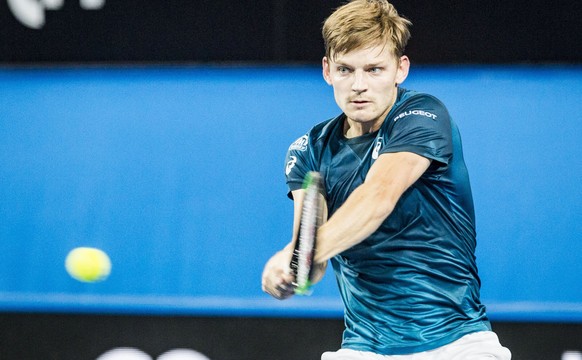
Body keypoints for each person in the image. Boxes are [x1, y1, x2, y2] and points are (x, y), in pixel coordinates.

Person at [261, 0, 512, 359]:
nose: (358, 85)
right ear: (327, 70)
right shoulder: (309, 151)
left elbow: (378, 197)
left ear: (400, 69)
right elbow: (310, 258)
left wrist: (298, 255)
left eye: (374, 69)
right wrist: (290, 275)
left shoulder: (422, 115)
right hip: (364, 347)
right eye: (346, 70)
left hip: (456, 343)